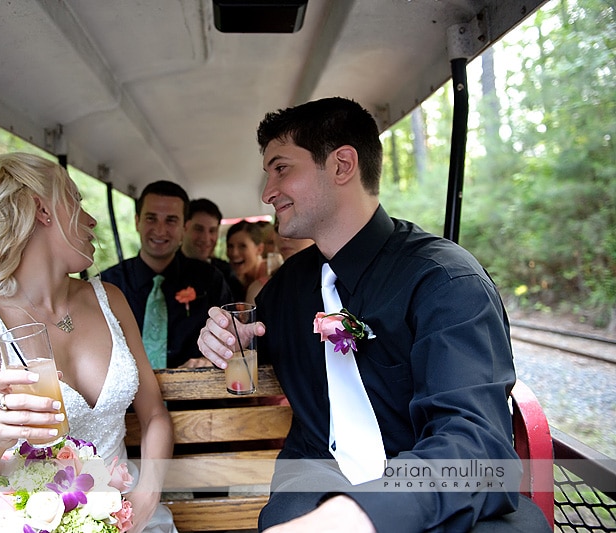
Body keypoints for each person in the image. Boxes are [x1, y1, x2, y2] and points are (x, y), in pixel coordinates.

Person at [197, 98, 550, 532]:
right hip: (315, 483)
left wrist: (362, 514)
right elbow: (248, 339)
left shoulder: (443, 281)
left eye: (281, 168)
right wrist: (227, 338)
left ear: (343, 164)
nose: (267, 192)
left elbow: (475, 448)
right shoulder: (284, 291)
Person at [0, 153, 177, 533]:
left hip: (128, 514)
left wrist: (146, 496)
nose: (90, 221)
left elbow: (154, 415)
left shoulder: (110, 299)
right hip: (33, 522)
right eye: (76, 201)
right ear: (42, 209)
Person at [101, 181, 232, 368]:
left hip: (197, 393)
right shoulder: (108, 284)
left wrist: (210, 360)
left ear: (184, 228)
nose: (160, 230)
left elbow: (231, 342)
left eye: (171, 220)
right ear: (137, 222)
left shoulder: (211, 281)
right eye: (151, 218)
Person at [181, 198, 243, 299]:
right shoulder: (168, 270)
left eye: (212, 230)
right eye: (198, 229)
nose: (206, 238)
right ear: (184, 228)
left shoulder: (225, 271)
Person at [245, 218, 313, 304]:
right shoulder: (261, 291)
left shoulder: (331, 280)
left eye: (294, 226)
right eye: (277, 228)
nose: (284, 236)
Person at [226, 220, 267, 300]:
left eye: (242, 246)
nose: (234, 253)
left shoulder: (270, 277)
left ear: (259, 249)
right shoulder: (233, 280)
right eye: (230, 246)